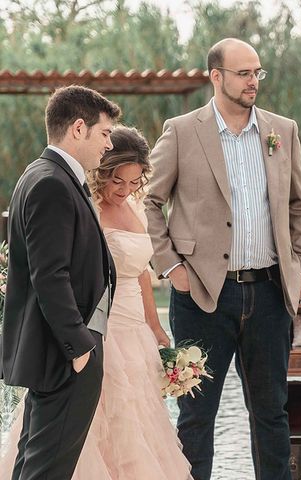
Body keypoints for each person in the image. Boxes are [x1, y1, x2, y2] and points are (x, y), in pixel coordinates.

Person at [144, 37, 301, 480]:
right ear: (216, 76)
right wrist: (172, 267)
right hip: (201, 296)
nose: (253, 81)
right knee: (197, 417)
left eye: (257, 72)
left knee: (272, 414)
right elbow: (149, 201)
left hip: (270, 295)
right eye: (243, 73)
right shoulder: (182, 131)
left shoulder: (283, 130)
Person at [0, 126, 192, 479]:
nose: (125, 190)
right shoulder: (85, 206)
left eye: (134, 182)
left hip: (136, 330)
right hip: (99, 328)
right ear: (104, 169)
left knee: (141, 426)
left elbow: (140, 272)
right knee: (90, 428)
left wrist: (153, 325)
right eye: (118, 180)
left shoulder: (136, 207)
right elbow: (61, 273)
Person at [0, 85, 119, 480]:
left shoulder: (44, 175)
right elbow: (49, 275)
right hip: (63, 354)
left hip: (54, 351)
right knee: (48, 469)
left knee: (33, 463)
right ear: (79, 128)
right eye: (105, 134)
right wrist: (79, 347)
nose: (108, 144)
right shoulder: (51, 182)